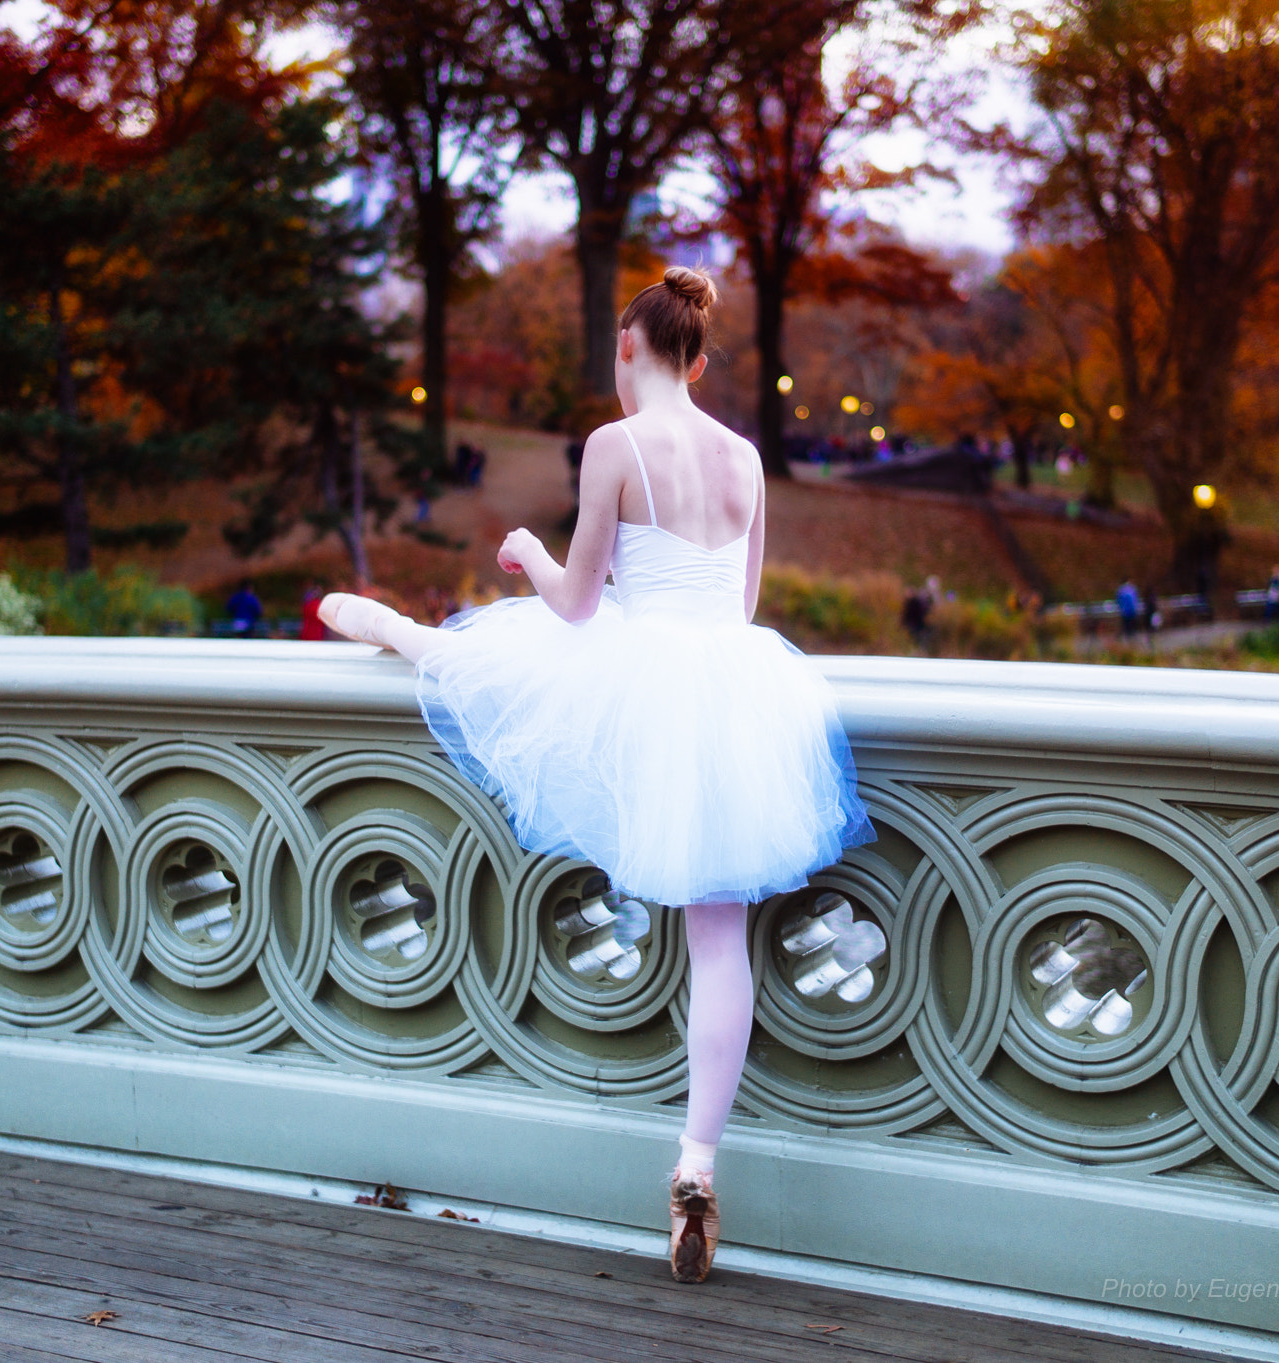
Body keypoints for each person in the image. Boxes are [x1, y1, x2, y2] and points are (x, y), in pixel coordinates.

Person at [314, 267, 872, 1285]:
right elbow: (740, 608)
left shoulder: (614, 447)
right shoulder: (744, 458)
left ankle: (382, 622)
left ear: (628, 352)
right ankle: (695, 1162)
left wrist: (528, 552)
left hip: (644, 670)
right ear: (696, 362)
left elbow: (575, 606)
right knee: (719, 939)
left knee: (494, 661)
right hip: (734, 687)